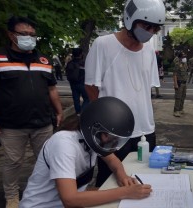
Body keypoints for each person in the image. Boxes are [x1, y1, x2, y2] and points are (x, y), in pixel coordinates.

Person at [0, 16, 63, 208]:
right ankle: (12, 197)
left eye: (32, 35)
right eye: (24, 34)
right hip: (11, 125)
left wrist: (59, 111)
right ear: (11, 35)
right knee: (13, 162)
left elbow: (52, 89)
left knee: (47, 161)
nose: (29, 38)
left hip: (43, 123)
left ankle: (48, 193)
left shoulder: (44, 59)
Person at [84, 0, 165, 187]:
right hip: (112, 131)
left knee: (145, 180)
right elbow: (90, 87)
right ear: (130, 19)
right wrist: (101, 125)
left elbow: (146, 89)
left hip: (145, 130)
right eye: (147, 26)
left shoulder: (149, 49)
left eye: (155, 28)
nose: (151, 32)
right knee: (110, 183)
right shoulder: (103, 44)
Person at [20, 97, 152, 207]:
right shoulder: (63, 144)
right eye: (110, 137)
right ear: (93, 128)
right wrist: (125, 192)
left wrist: (123, 177)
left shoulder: (94, 140)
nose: (113, 142)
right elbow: (70, 199)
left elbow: (113, 161)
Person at [65, 48, 89, 116]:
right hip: (82, 83)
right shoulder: (83, 63)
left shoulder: (69, 63)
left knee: (76, 99)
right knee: (87, 99)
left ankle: (78, 112)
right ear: (81, 54)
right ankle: (82, 112)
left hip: (73, 84)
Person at [173, 51, 188, 117]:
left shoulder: (185, 64)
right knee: (178, 97)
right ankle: (176, 111)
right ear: (180, 57)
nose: (185, 58)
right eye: (183, 57)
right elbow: (175, 75)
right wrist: (175, 84)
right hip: (179, 83)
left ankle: (181, 109)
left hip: (184, 83)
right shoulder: (177, 64)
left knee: (183, 97)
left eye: (185, 57)